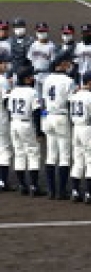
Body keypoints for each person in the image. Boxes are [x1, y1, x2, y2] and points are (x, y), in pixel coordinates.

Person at [41, 51, 77, 200]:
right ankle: (61, 191)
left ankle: (51, 191)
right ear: (62, 64)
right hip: (61, 118)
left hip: (48, 117)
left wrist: (43, 120)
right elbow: (70, 103)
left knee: (51, 155)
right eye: (68, 62)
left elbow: (43, 102)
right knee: (64, 156)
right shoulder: (69, 81)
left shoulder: (47, 79)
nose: (70, 64)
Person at [68, 69, 91, 204]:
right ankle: (89, 193)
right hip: (87, 129)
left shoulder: (74, 96)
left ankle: (75, 191)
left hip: (76, 128)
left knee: (78, 161)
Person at [7, 65, 43, 196]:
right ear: (26, 79)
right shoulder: (32, 92)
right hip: (26, 124)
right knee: (33, 153)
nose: (33, 78)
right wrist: (39, 131)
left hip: (14, 123)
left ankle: (22, 185)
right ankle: (34, 186)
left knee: (19, 154)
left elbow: (8, 109)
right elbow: (36, 112)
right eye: (31, 76)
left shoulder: (13, 91)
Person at [28, 22, 57, 98]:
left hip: (47, 76)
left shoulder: (51, 46)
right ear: (36, 32)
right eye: (40, 31)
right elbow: (29, 60)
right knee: (37, 98)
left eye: (43, 31)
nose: (41, 33)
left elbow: (53, 63)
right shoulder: (33, 45)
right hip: (36, 77)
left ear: (47, 32)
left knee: (47, 97)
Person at [0, 52, 12, 191]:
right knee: (4, 149)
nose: (6, 65)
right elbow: (6, 101)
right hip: (1, 117)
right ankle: (2, 181)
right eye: (3, 63)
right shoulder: (3, 80)